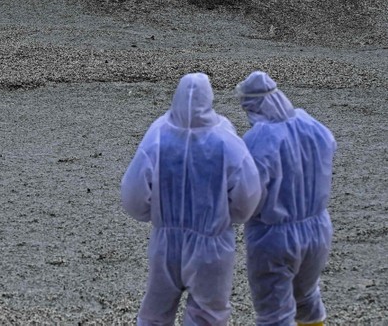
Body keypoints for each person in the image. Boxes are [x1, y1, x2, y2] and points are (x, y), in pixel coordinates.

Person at [122, 72, 261, 326]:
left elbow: (133, 193)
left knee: (155, 311)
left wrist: (152, 215)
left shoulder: (158, 134)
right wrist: (227, 218)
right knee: (208, 314)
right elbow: (247, 194)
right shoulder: (226, 139)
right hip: (212, 246)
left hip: (165, 244)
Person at [237, 71, 337, 326]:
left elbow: (248, 193)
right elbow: (329, 148)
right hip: (318, 229)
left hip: (274, 236)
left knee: (274, 313)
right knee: (307, 298)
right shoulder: (311, 123)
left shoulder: (257, 139)